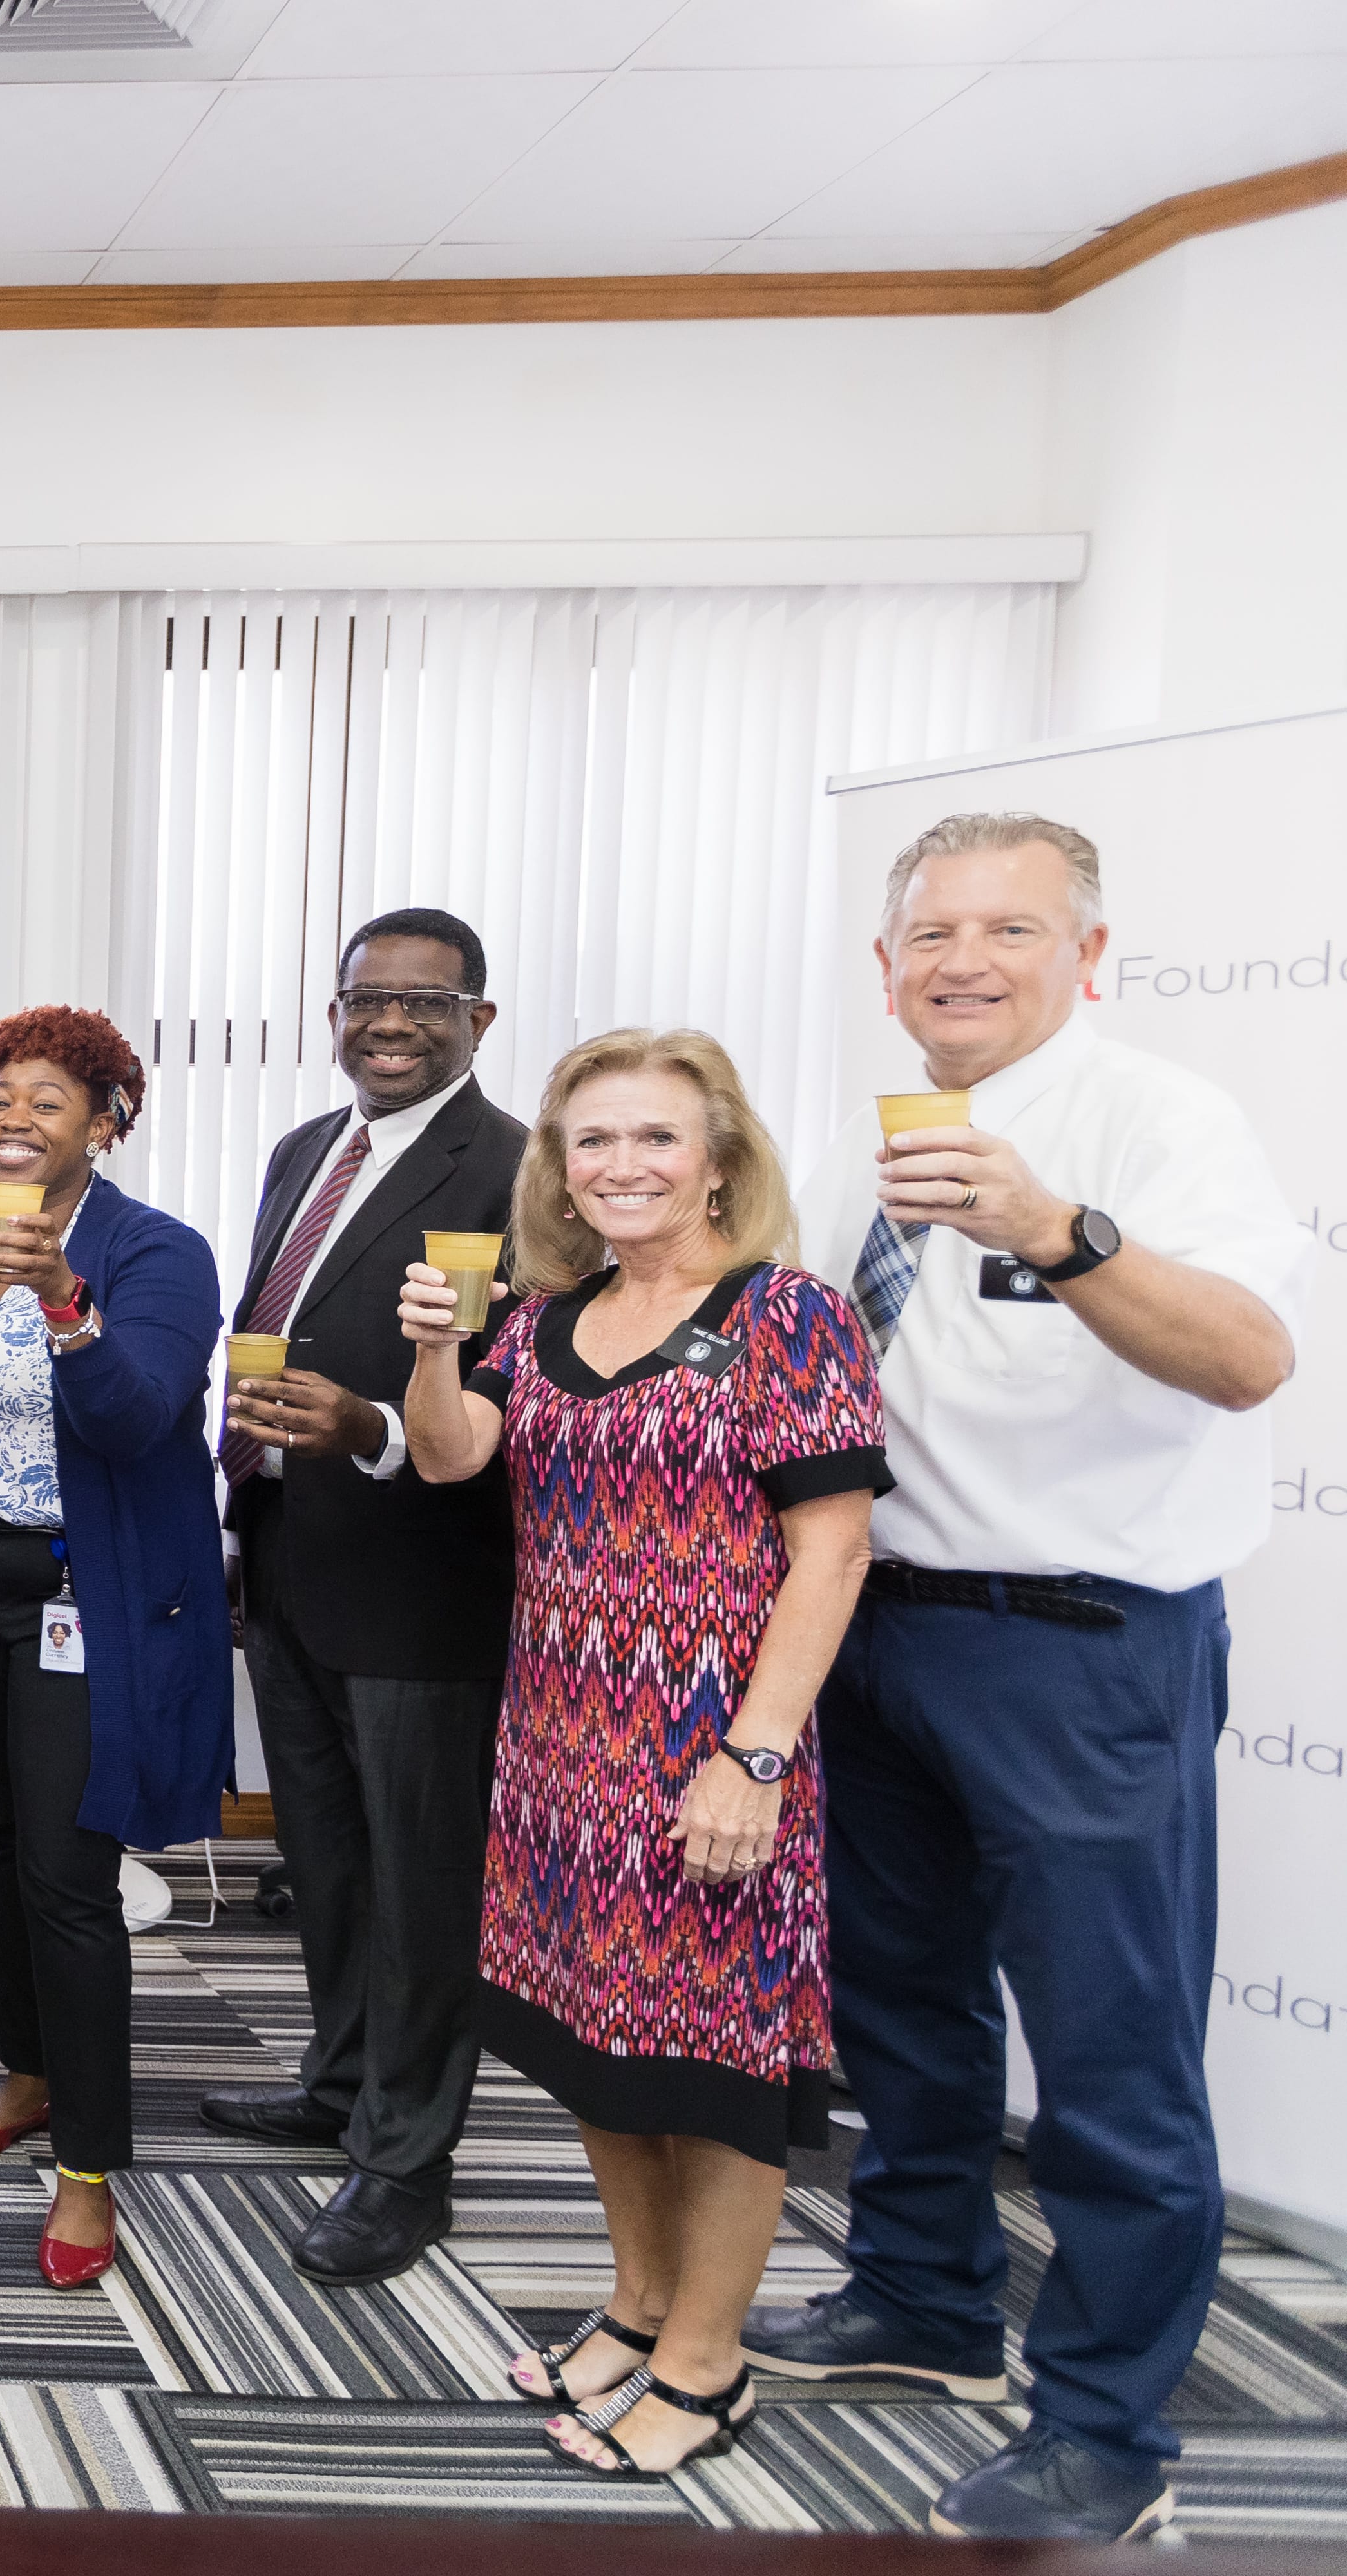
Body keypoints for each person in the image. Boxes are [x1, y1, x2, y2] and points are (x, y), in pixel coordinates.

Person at [747, 814, 1304, 2543]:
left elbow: (1249, 1355)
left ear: (1089, 951)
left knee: (1110, 2047)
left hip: (1080, 1646)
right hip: (884, 1628)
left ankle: (1108, 2429)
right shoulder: (862, 1135)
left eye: (1008, 930)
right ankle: (920, 2294)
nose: (964, 961)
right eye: (933, 935)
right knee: (901, 2007)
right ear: (885, 965)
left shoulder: (1156, 1118)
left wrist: (1060, 1231)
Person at [397, 1027, 886, 2480]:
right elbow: (446, 1455)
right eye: (593, 1140)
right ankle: (638, 2300)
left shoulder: (786, 1317)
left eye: (656, 1137)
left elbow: (835, 1550)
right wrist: (433, 1348)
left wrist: (754, 1752)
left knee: (715, 2058)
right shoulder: (546, 1313)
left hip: (711, 1749)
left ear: (721, 1158)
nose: (621, 1165)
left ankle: (705, 2361)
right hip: (557, 1744)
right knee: (592, 2048)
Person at [200, 908, 529, 2288]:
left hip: (421, 1577)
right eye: (363, 1000)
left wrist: (374, 1427)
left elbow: (513, 1388)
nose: (388, 1023)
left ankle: (407, 2162)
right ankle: (340, 2079)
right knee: (325, 1858)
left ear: (479, 1020)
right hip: (288, 1553)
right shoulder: (303, 1151)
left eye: (421, 1002)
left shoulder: (524, 1169)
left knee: (418, 1878)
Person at [0, 1007, 230, 2292]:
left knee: (72, 1874)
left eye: (47, 1097)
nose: (14, 1116)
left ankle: (89, 2167)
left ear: (105, 1122)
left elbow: (144, 1418)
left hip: (79, 1593)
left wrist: (64, 1302)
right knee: (13, 1844)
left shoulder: (156, 1252)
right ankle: (29, 2074)